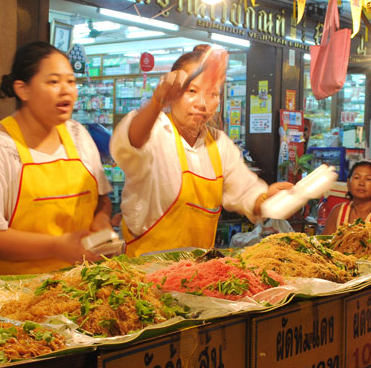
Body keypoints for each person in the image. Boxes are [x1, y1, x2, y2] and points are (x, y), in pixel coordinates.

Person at [0, 41, 113, 275]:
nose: (66, 90)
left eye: (71, 81)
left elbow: (101, 200)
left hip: (77, 286)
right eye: (53, 81)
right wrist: (56, 246)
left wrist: (101, 225)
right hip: (8, 294)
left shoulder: (78, 137)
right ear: (23, 90)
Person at [110, 45, 290, 257]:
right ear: (172, 93)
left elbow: (248, 195)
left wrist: (269, 199)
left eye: (213, 93)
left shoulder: (219, 144)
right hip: (143, 274)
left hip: (197, 275)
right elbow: (132, 140)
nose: (202, 104)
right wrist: (157, 101)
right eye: (192, 91)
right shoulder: (156, 131)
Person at [323, 160, 371, 234]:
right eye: (356, 177)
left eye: (368, 179)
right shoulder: (338, 212)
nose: (361, 183)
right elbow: (324, 242)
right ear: (348, 183)